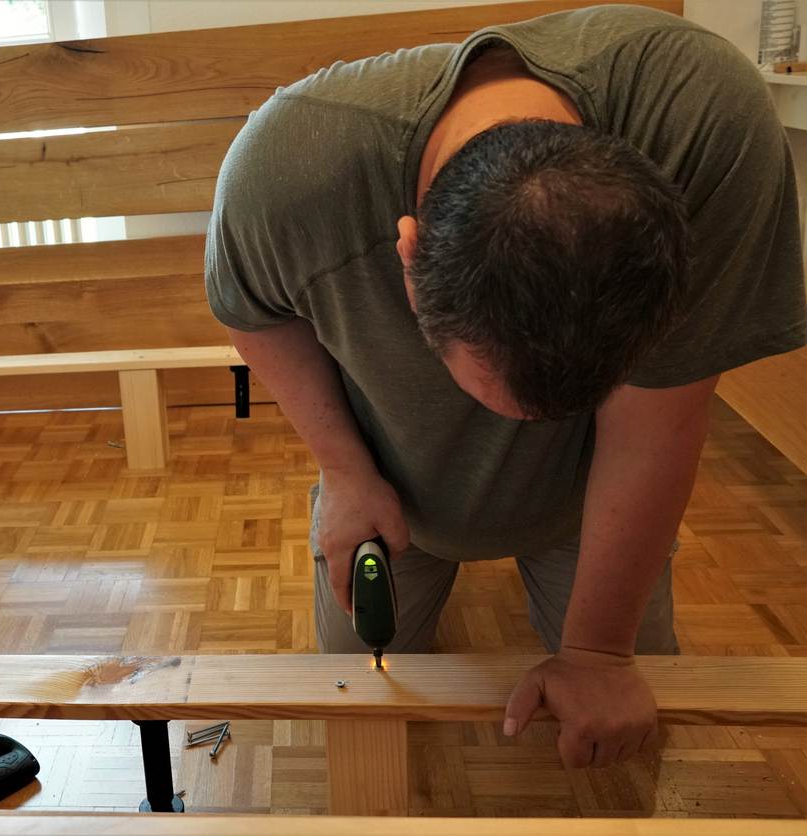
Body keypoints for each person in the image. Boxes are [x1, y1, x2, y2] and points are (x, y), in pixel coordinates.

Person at [204, 4, 806, 770]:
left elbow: (657, 422)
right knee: (355, 685)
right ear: (410, 260)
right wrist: (344, 470)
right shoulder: (283, 173)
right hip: (388, 475)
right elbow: (250, 314)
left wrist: (597, 652)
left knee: (632, 702)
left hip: (590, 493)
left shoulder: (702, 123)